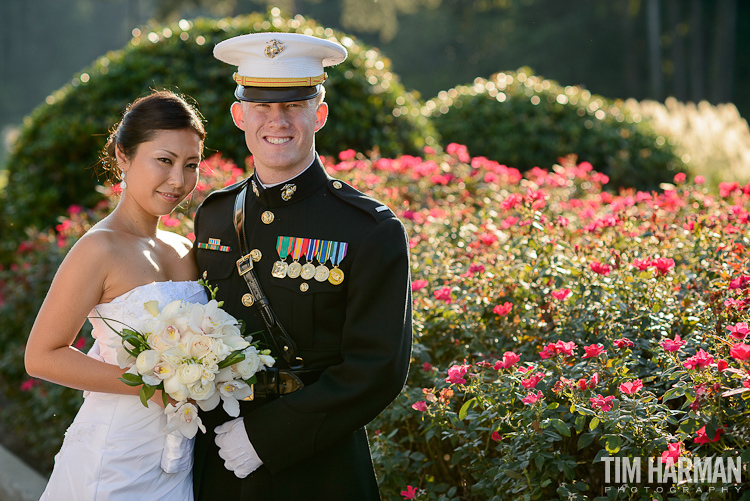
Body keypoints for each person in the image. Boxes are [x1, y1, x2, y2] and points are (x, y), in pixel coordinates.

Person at [192, 33, 413, 500]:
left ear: (320, 113)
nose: (278, 121)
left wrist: (267, 438)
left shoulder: (368, 229)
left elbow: (377, 367)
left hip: (321, 468)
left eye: (294, 105)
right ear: (239, 116)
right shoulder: (215, 215)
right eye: (261, 107)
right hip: (219, 461)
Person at [24, 90, 206, 500]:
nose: (179, 180)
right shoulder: (98, 249)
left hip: (179, 460)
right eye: (164, 160)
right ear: (123, 156)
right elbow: (41, 356)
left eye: (191, 165)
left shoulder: (185, 250)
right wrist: (154, 387)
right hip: (115, 459)